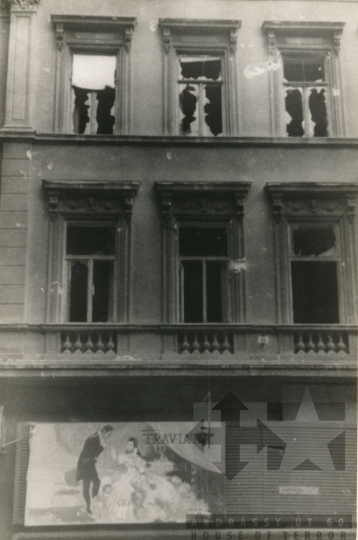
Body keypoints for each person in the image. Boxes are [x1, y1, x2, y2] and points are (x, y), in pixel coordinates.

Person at [76, 424, 113, 514]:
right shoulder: (94, 438)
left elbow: (94, 452)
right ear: (104, 432)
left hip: (89, 464)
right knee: (87, 485)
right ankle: (89, 506)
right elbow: (89, 452)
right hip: (85, 464)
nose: (108, 437)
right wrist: (101, 448)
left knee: (96, 483)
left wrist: (101, 448)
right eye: (108, 434)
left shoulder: (98, 437)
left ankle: (92, 504)